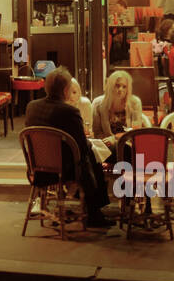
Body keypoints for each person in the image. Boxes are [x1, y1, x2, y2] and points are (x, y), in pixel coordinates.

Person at [25, 67, 111, 227]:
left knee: (89, 154)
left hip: (37, 169)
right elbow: (80, 146)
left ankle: (94, 211)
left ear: (45, 86)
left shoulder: (31, 107)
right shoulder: (69, 111)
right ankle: (95, 211)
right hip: (63, 170)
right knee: (90, 155)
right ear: (66, 90)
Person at [89, 69, 146, 160]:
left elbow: (136, 131)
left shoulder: (135, 103)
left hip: (129, 143)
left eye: (124, 87)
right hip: (106, 147)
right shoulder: (98, 103)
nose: (120, 90)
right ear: (110, 86)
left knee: (129, 150)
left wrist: (115, 138)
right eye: (117, 86)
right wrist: (109, 141)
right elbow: (97, 133)